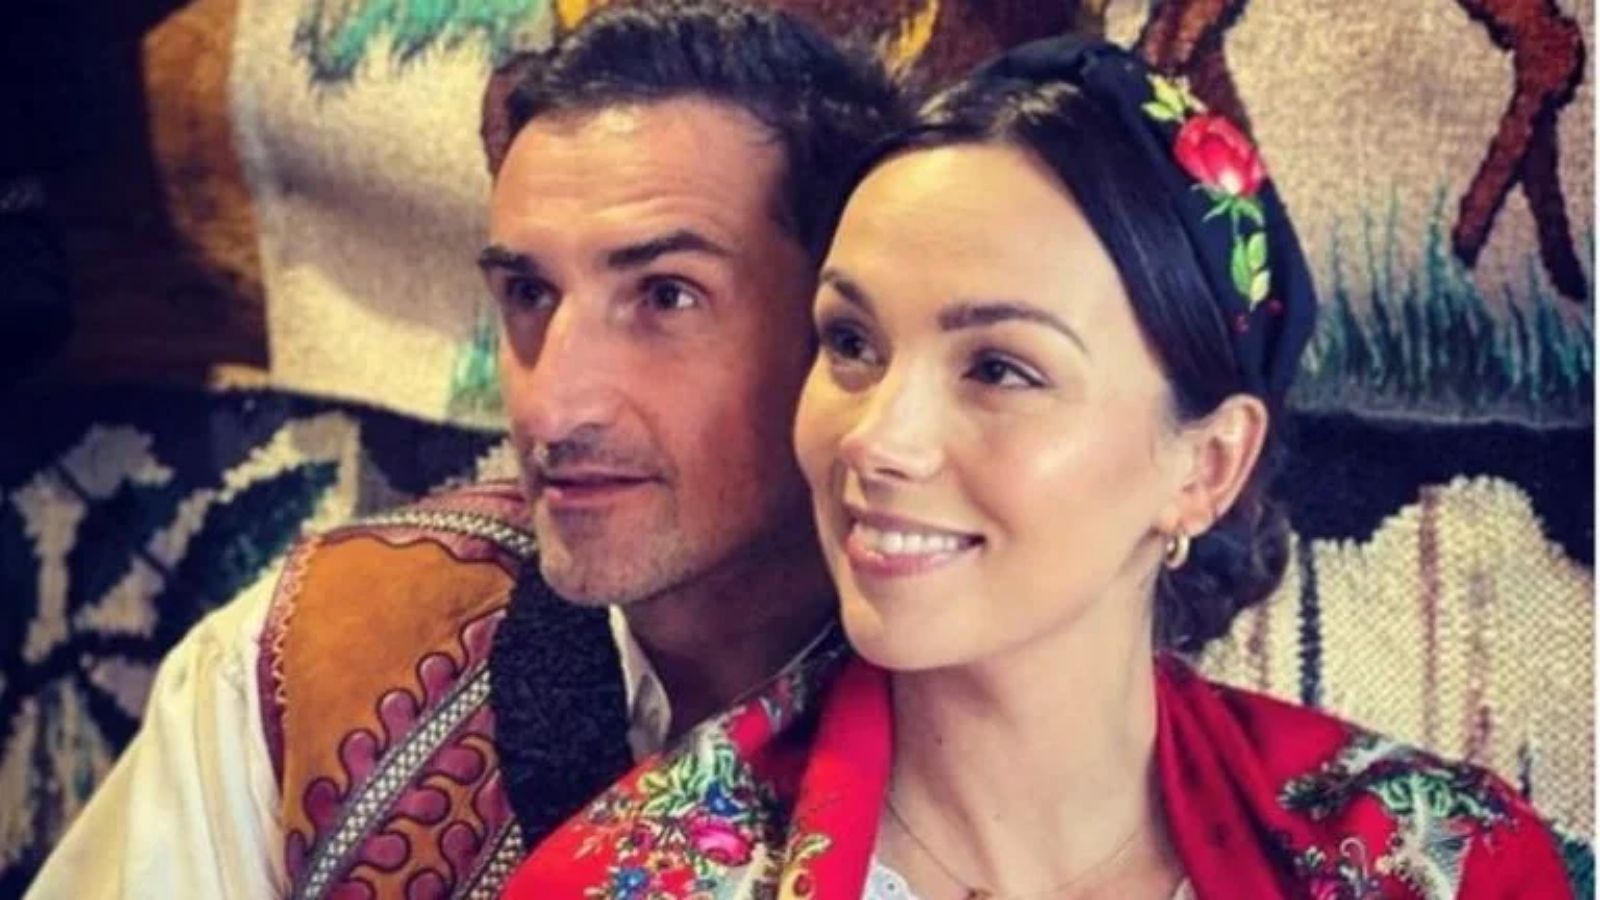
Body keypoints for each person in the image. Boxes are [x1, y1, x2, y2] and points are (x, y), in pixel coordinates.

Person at [500, 37, 1575, 899]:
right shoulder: (632, 879)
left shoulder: (1437, 861)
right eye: (853, 345)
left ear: (1205, 465)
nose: (876, 437)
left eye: (1000, 368)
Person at [26, 3, 905, 897]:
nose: (552, 407)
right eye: (529, 292)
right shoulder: (302, 668)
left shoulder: (966, 723)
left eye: (667, 296)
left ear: (842, 338)